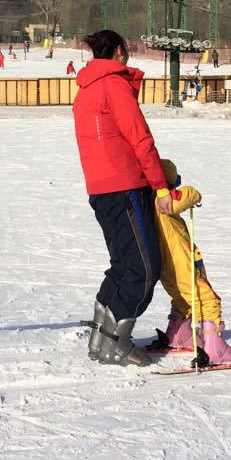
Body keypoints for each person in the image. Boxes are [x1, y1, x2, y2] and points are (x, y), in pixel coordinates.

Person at [73, 29, 172, 367]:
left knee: (122, 262)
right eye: (127, 48)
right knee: (144, 267)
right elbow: (141, 140)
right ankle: (118, 340)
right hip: (125, 186)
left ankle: (101, 334)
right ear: (119, 50)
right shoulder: (114, 86)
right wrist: (160, 187)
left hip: (100, 189)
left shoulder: (86, 90)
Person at [148, 159, 231, 366]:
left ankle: (178, 334)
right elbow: (183, 197)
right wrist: (193, 193)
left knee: (182, 297)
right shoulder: (161, 198)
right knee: (206, 299)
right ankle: (215, 349)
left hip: (166, 264)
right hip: (180, 260)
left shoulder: (146, 199)